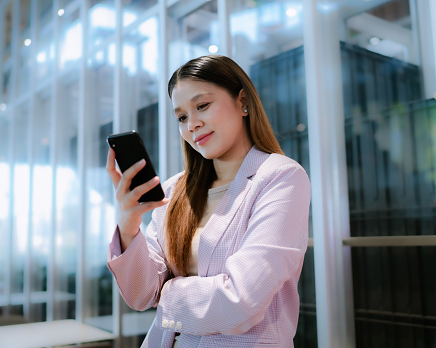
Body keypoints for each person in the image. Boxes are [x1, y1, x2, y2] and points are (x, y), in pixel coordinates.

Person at [106, 55, 311, 348]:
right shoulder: (175, 190)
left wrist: (167, 293)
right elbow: (141, 294)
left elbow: (240, 300)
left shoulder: (281, 177)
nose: (193, 124)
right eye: (181, 117)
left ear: (243, 102)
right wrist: (128, 226)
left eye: (202, 106)